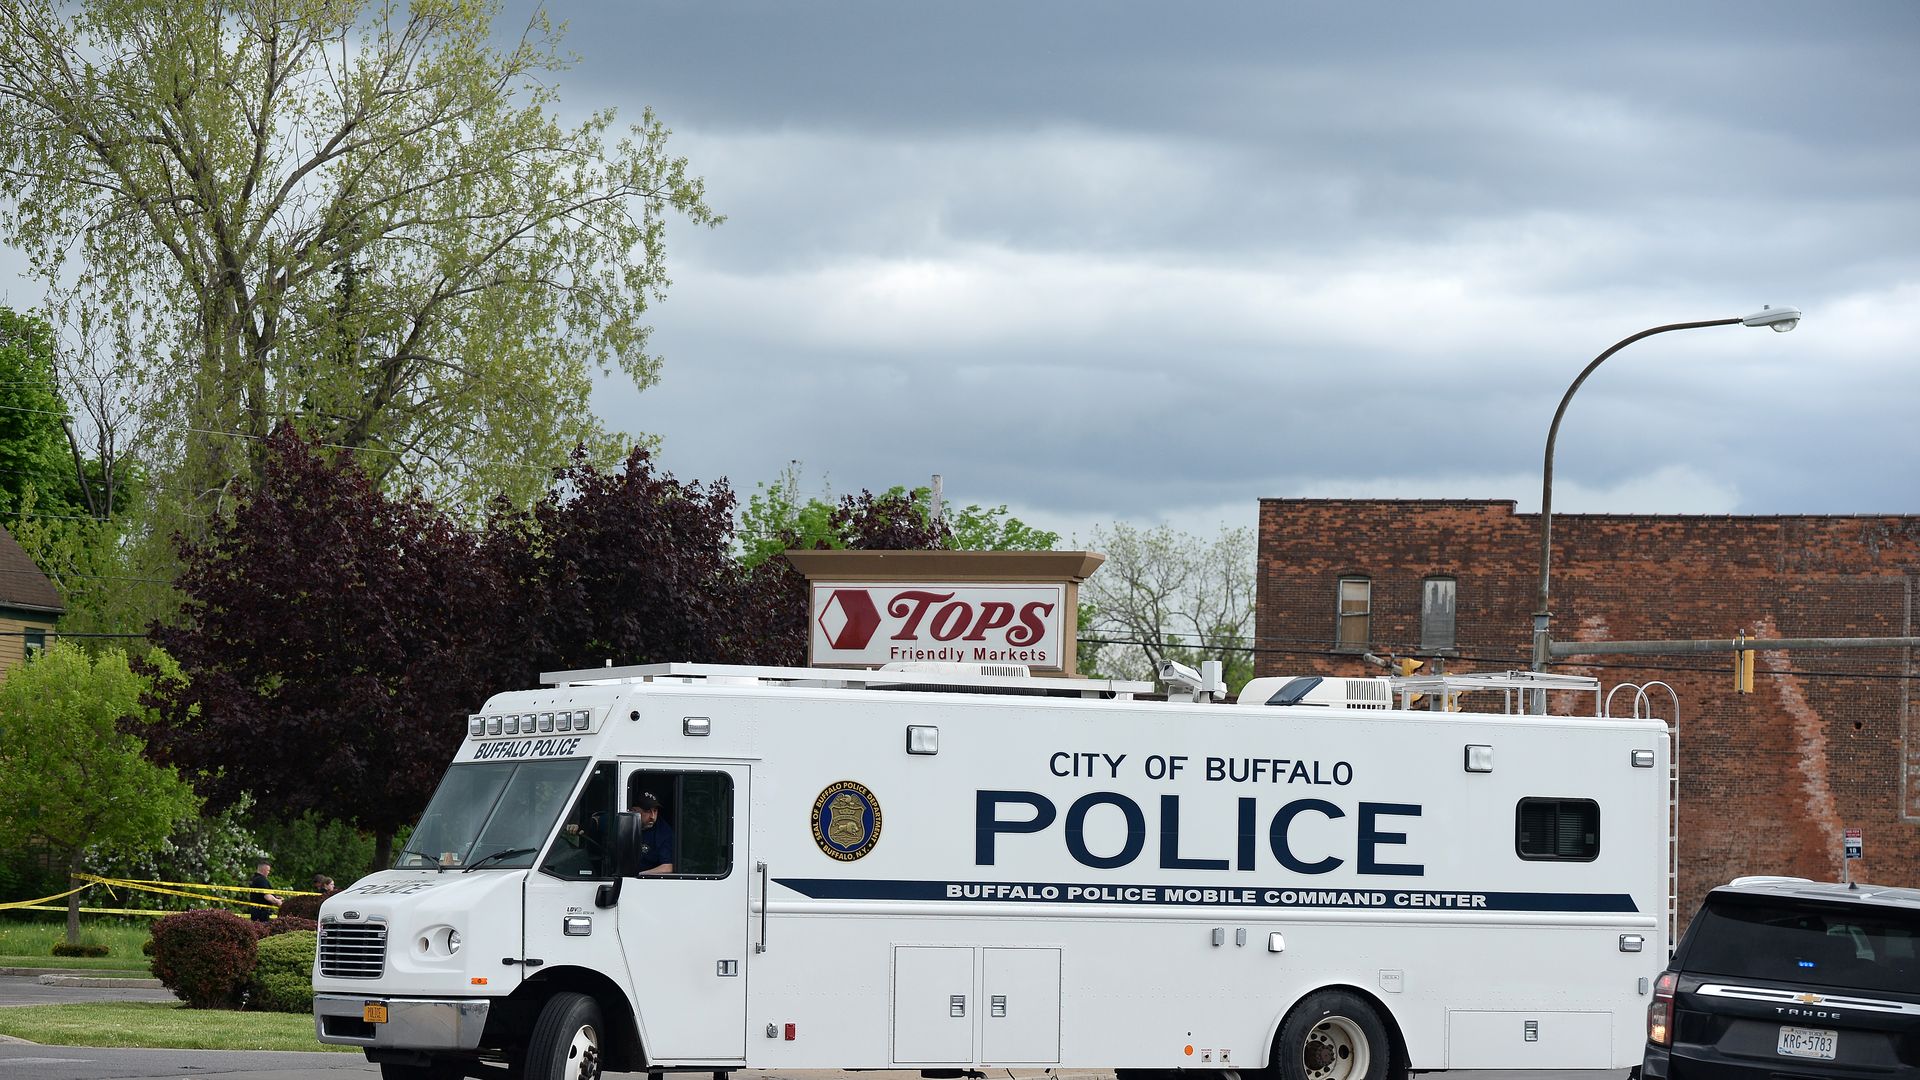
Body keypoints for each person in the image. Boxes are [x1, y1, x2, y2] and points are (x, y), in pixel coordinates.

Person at [634, 792, 675, 875]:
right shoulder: (620, 820)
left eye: (655, 811)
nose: (652, 817)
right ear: (634, 810)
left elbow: (668, 867)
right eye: (647, 811)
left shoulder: (663, 832)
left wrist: (638, 876)